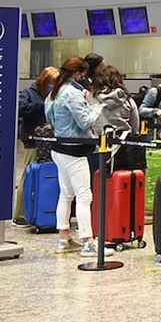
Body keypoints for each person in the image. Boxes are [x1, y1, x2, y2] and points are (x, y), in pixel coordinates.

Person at [44, 57, 112, 258]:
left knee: (66, 194)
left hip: (58, 149)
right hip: (74, 151)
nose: (84, 78)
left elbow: (49, 119)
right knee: (84, 196)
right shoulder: (72, 94)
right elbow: (85, 122)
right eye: (82, 74)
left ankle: (64, 238)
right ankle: (88, 242)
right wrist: (96, 108)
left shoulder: (54, 93)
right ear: (77, 74)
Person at [12, 66, 59, 227]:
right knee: (28, 174)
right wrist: (43, 105)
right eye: (51, 83)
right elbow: (20, 109)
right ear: (44, 81)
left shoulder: (54, 95)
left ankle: (39, 211)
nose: (53, 86)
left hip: (51, 140)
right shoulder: (29, 92)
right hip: (32, 140)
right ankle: (19, 214)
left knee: (46, 176)